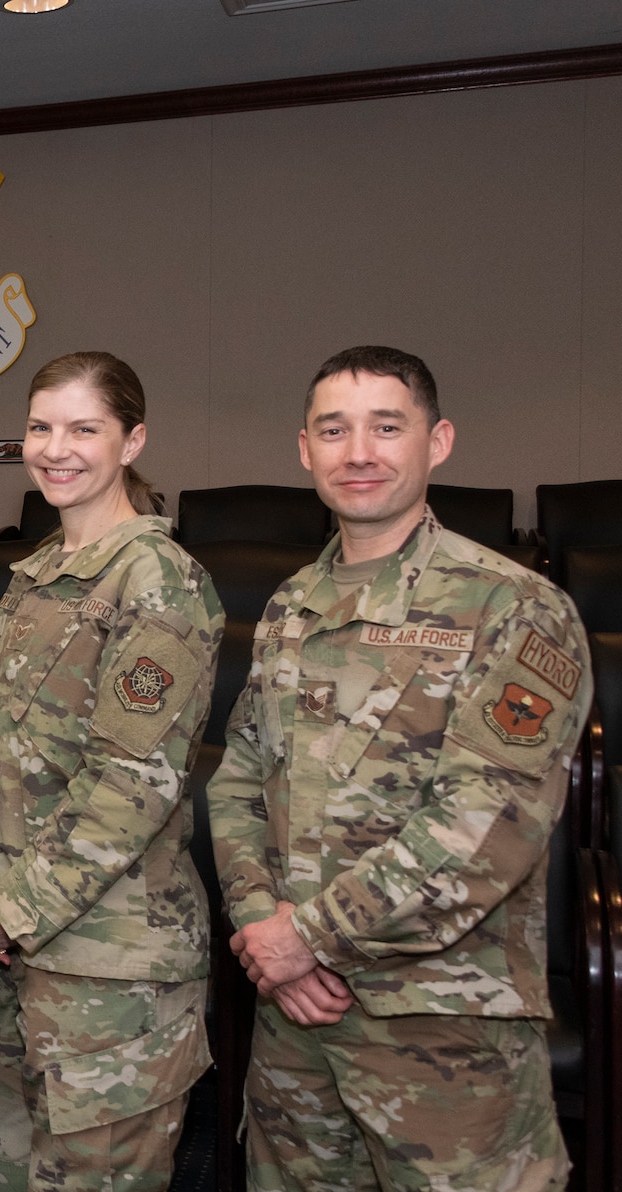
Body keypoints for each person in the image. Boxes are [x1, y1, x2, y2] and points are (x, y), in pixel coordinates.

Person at [210, 346, 589, 1192]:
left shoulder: (513, 607)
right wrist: (262, 921)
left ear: (439, 441)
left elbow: (484, 831)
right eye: (334, 430)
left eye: (388, 426)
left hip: (444, 1036)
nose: (360, 452)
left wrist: (303, 940)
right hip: (295, 1031)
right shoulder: (289, 607)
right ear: (304, 451)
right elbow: (238, 782)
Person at [0, 352, 222, 1192]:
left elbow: (128, 788)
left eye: (83, 429)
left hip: (114, 974)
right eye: (40, 427)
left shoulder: (159, 583)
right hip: (23, 952)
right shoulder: (32, 580)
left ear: (132, 440)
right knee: (18, 1169)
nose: (55, 448)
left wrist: (10, 908)